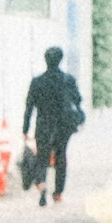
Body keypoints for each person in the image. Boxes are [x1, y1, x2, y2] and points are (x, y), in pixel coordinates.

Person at [23, 46, 86, 205]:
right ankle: (57, 193)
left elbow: (29, 106)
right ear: (60, 60)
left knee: (42, 157)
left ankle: (42, 185)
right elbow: (78, 100)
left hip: (43, 124)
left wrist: (25, 129)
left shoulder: (37, 82)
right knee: (61, 157)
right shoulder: (68, 80)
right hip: (63, 125)